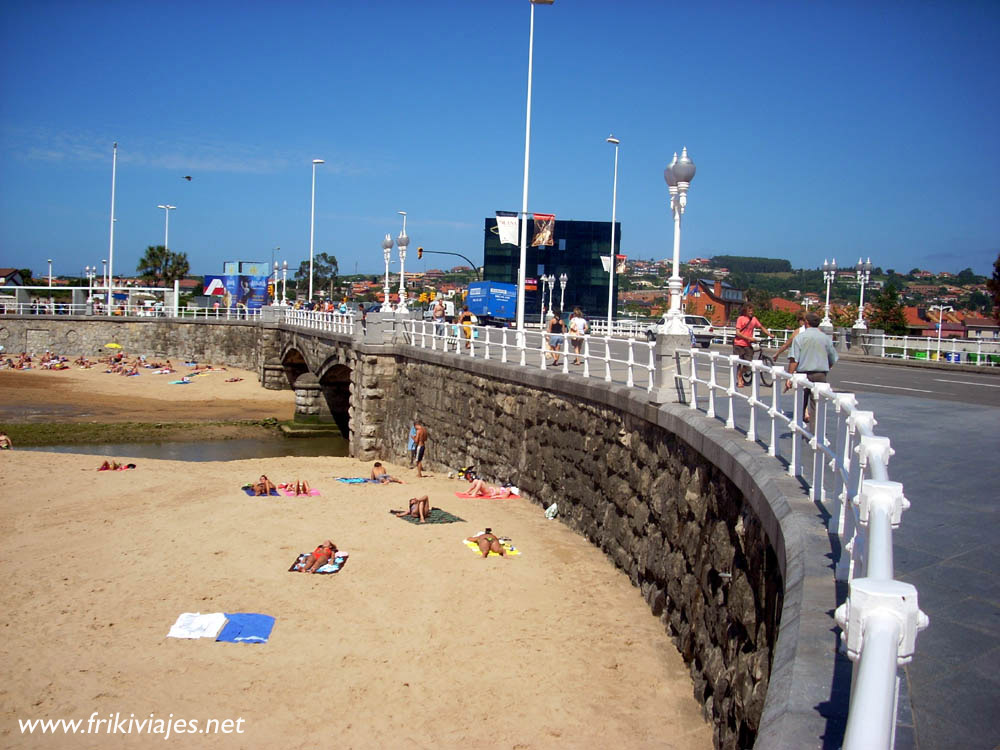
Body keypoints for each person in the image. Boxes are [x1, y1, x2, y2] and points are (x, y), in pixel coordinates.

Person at [783, 312, 838, 424]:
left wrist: (789, 377)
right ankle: (815, 433)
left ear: (806, 322)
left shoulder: (800, 338)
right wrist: (825, 368)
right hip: (820, 375)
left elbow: (794, 360)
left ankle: (798, 429)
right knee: (817, 406)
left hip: (802, 375)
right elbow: (833, 358)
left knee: (800, 404)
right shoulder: (825, 338)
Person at [733, 304, 772, 388]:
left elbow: (761, 327)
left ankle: (740, 374)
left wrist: (769, 334)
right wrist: (748, 338)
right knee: (739, 362)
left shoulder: (754, 319)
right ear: (745, 311)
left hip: (747, 344)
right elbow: (738, 333)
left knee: (748, 363)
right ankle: (739, 379)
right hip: (739, 344)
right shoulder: (740, 319)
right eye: (749, 311)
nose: (751, 312)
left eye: (752, 311)